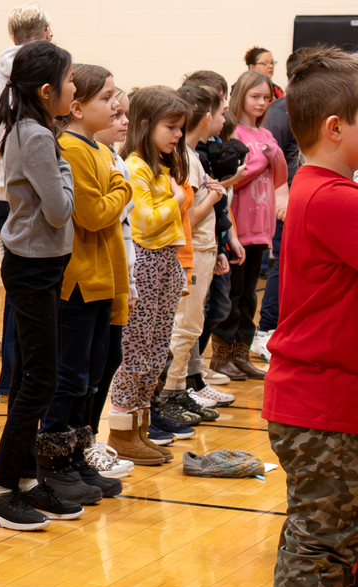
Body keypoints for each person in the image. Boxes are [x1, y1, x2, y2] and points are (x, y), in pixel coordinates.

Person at [254, 46, 358, 587]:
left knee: (333, 539)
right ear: (335, 128)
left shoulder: (325, 193)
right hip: (320, 401)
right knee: (321, 542)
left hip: (326, 397)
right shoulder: (332, 198)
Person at [0, 42, 82, 532]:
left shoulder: (37, 129)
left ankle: (21, 481)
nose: (74, 89)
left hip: (42, 263)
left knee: (29, 376)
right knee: (40, 380)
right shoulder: (37, 136)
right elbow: (61, 208)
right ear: (46, 90)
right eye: (68, 81)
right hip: (33, 265)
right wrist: (68, 174)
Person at [39, 63, 131, 501]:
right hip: (77, 283)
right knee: (71, 378)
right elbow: (93, 214)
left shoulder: (98, 150)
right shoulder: (72, 149)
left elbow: (106, 202)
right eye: (106, 97)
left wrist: (115, 182)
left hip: (104, 278)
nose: (115, 105)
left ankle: (77, 455)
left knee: (93, 377)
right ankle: (53, 462)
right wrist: (122, 187)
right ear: (76, 107)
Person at [104, 86, 190, 466]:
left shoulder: (160, 166)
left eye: (180, 128)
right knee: (135, 350)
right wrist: (178, 201)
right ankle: (121, 432)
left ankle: (140, 427)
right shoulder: (136, 166)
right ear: (145, 125)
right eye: (171, 127)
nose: (178, 135)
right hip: (145, 263)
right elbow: (144, 221)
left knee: (156, 350)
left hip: (165, 262)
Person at [0, 2, 54, 402]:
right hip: (25, 186)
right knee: (28, 292)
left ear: (12, 36)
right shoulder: (41, 74)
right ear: (45, 33)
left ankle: (13, 379)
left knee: (16, 289)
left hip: (1, 187)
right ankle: (18, 381)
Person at [160, 85, 235, 419]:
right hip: (189, 251)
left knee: (190, 325)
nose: (223, 119)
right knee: (183, 327)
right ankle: (169, 395)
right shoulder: (185, 159)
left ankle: (177, 390)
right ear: (205, 116)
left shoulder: (191, 155)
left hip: (204, 248)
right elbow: (187, 216)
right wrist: (214, 198)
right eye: (220, 112)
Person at [209, 70, 286, 380]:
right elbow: (235, 177)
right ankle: (221, 356)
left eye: (266, 98)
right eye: (255, 96)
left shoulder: (266, 136)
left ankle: (241, 353)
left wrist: (274, 157)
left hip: (261, 228)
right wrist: (262, 160)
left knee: (250, 296)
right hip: (238, 227)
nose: (261, 103)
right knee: (233, 295)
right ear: (241, 95)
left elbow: (279, 175)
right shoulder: (234, 134)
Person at [87, 88, 136, 481]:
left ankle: (89, 442)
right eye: (114, 112)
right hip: (92, 275)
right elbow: (100, 213)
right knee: (87, 369)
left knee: (109, 360)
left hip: (120, 271)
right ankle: (83, 444)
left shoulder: (112, 157)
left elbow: (125, 223)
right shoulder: (86, 155)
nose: (122, 122)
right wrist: (122, 188)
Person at [255, 51, 302, 357]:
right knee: (278, 264)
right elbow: (272, 162)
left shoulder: (301, 107)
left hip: (298, 200)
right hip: (280, 204)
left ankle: (278, 327)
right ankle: (265, 329)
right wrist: (281, 199)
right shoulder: (280, 111)